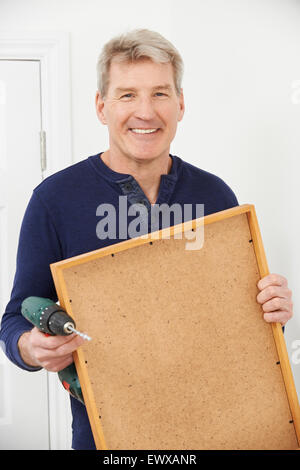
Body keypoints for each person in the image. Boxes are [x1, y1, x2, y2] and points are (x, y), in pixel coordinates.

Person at [0, 29, 293, 450]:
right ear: (101, 107)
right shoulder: (54, 201)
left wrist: (271, 313)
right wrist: (31, 346)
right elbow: (14, 321)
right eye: (126, 95)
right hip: (107, 438)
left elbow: (239, 327)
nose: (145, 111)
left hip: (218, 427)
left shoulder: (215, 196)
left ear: (180, 104)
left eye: (159, 93)